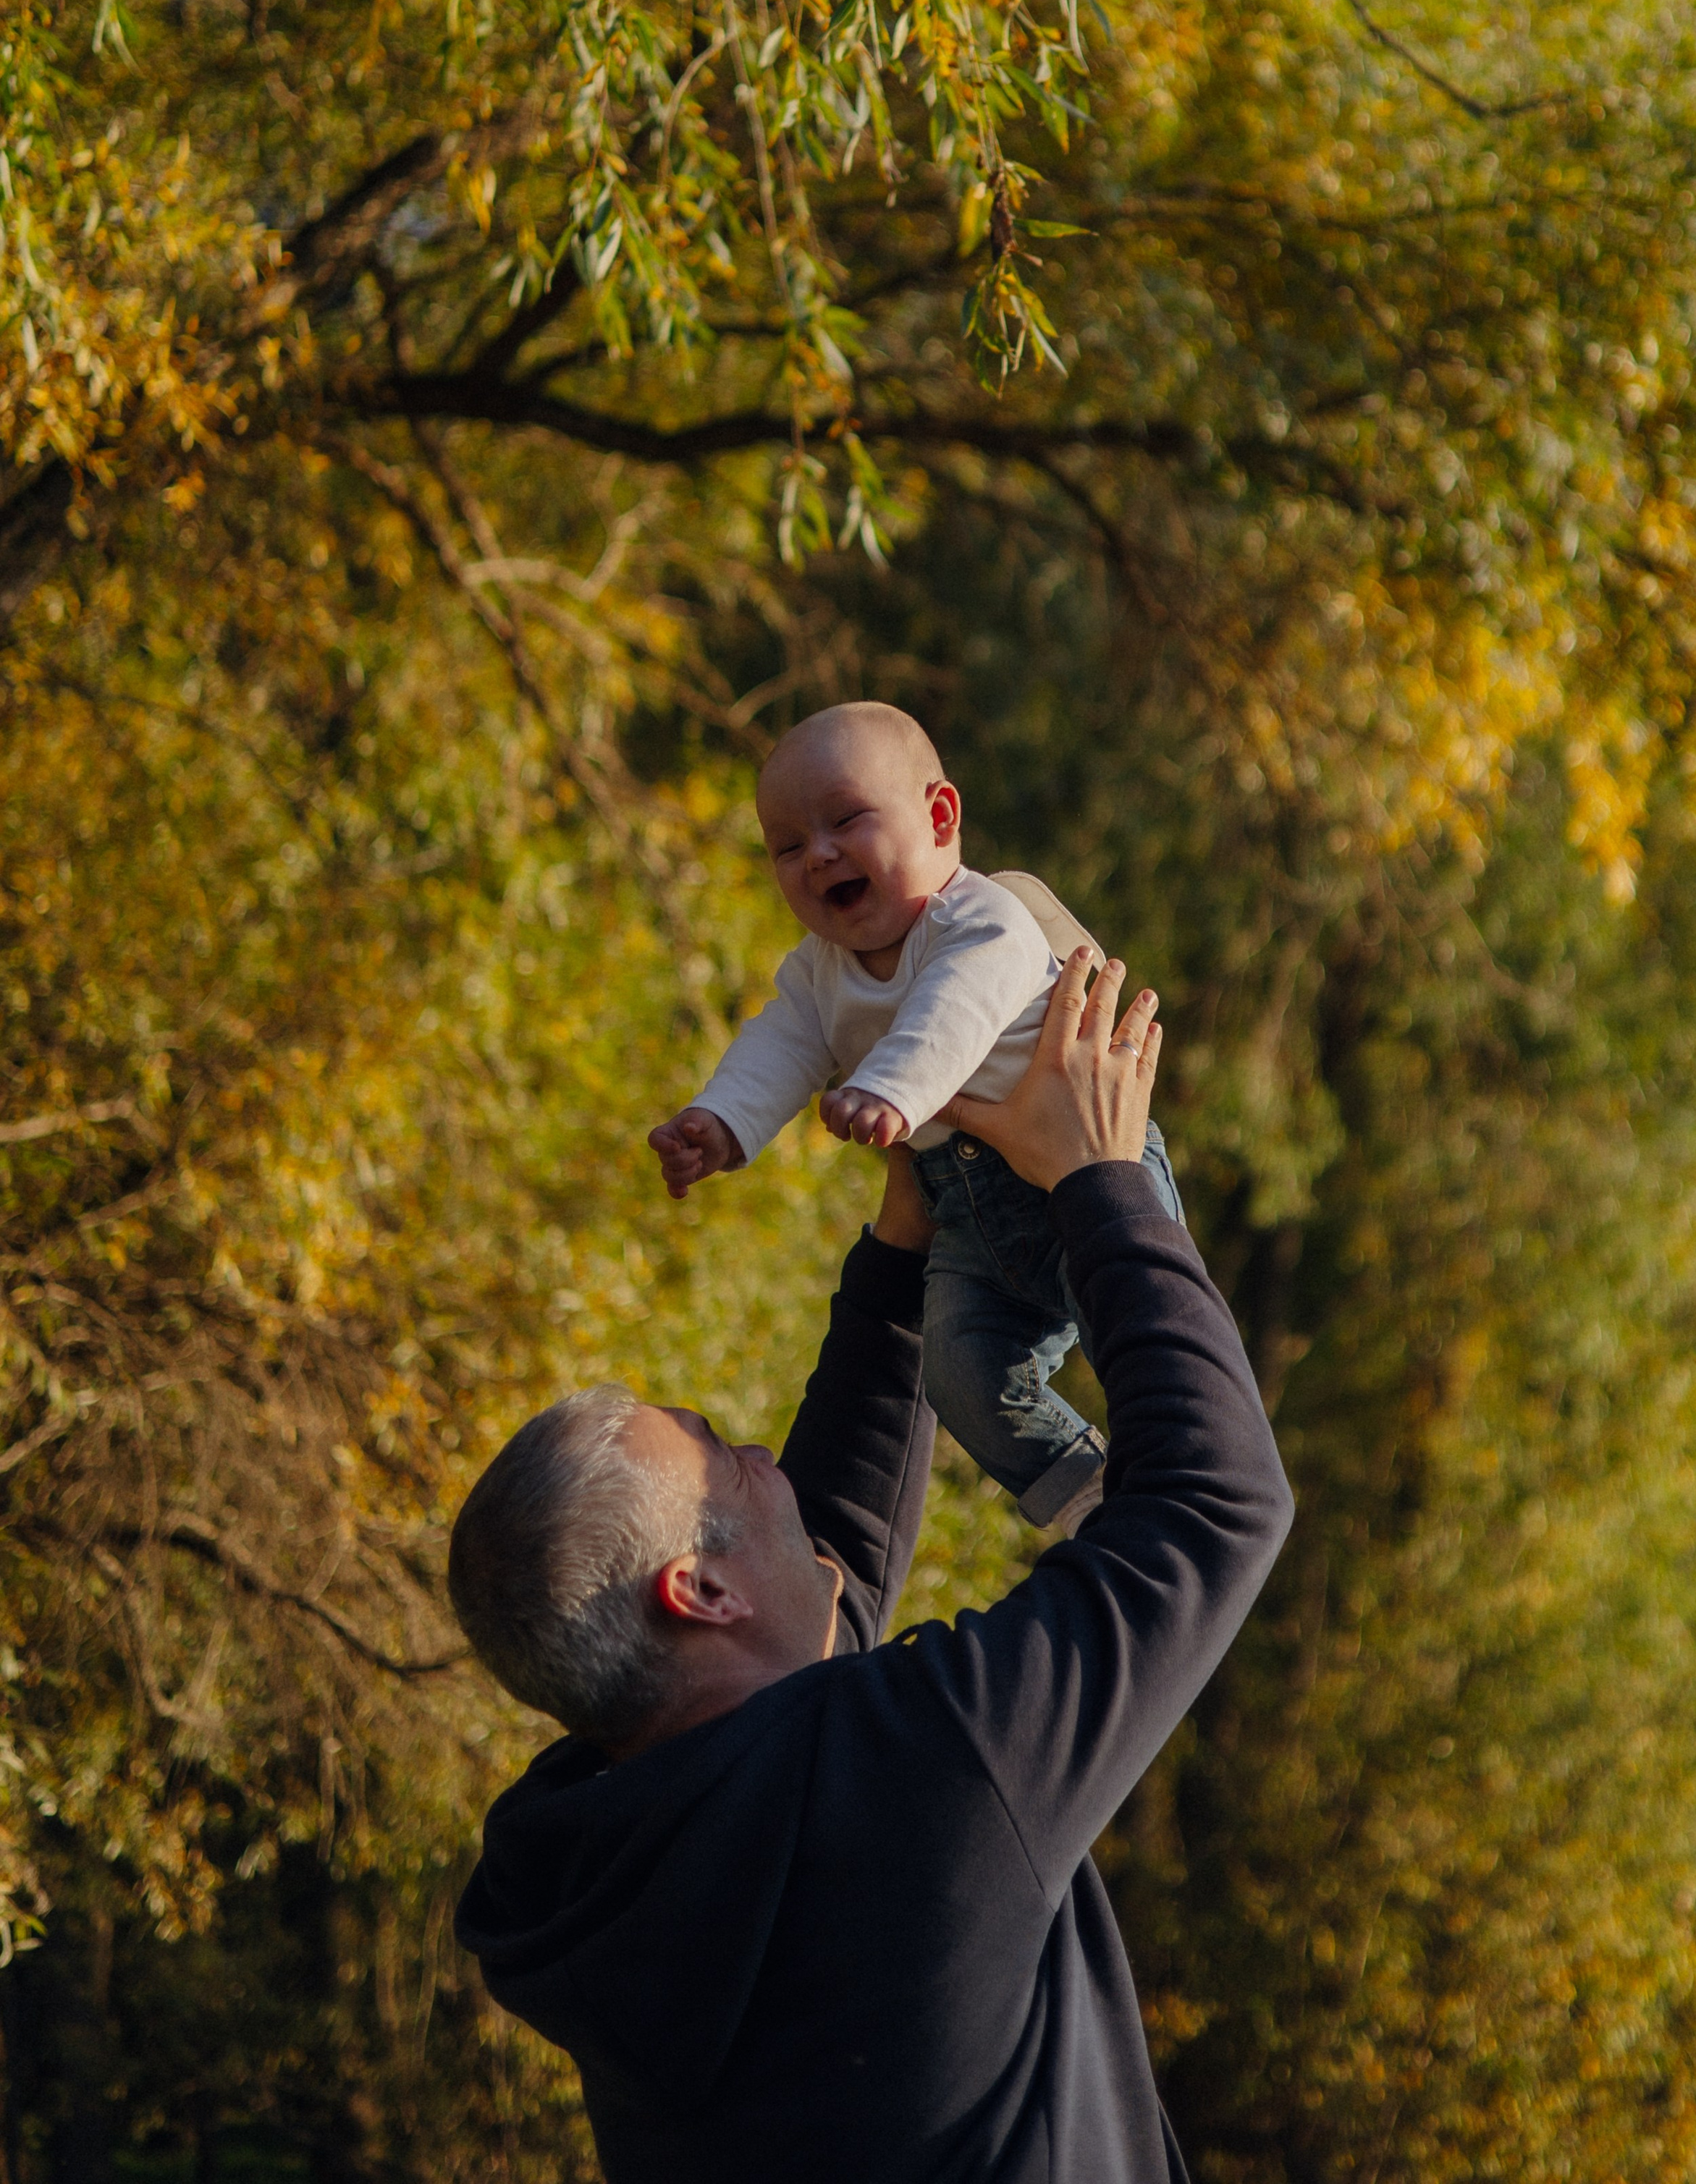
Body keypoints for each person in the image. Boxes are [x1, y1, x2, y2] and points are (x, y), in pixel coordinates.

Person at [450, 952, 1294, 2184]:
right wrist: (1103, 1182)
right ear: (699, 1591)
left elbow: (813, 1596)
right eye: (716, 1455)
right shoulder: (927, 1775)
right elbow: (1217, 1507)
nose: (755, 1453)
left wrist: (906, 1244)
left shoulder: (604, 1878)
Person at [646, 699, 1184, 1530]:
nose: (817, 854)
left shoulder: (981, 919)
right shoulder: (818, 973)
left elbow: (957, 1007)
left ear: (938, 817)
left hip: (1088, 1176)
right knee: (958, 1370)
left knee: (1142, 1335)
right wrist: (718, 1123)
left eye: (845, 821)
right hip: (966, 1225)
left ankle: (1188, 1473)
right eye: (788, 847)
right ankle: (1085, 1497)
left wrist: (892, 1086)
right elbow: (778, 1047)